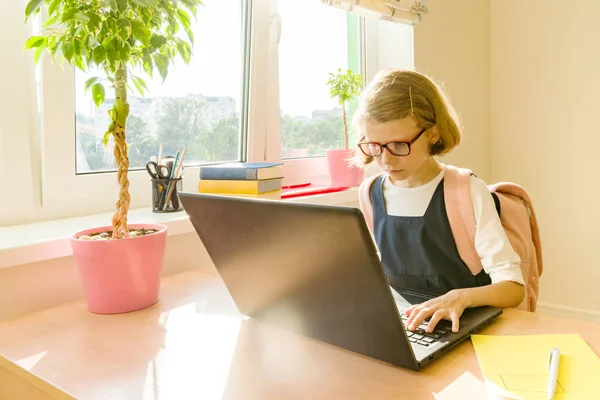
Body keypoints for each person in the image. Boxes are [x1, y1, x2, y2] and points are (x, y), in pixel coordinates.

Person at [353, 69, 524, 334]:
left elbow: (513, 289)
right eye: (375, 146)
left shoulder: (465, 191)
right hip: (409, 329)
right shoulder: (370, 193)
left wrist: (461, 297)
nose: (386, 160)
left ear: (432, 133)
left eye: (399, 145)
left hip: (468, 330)